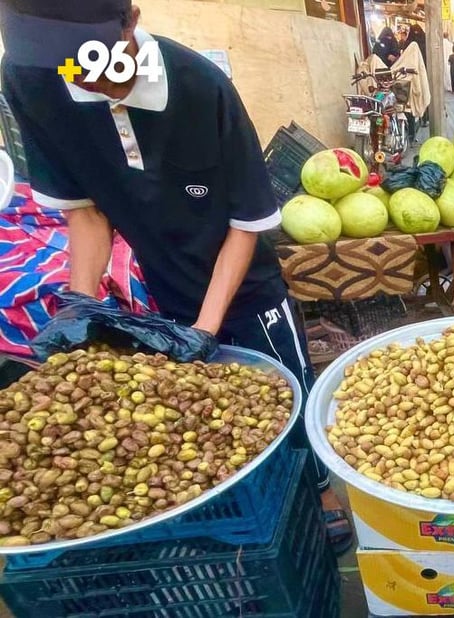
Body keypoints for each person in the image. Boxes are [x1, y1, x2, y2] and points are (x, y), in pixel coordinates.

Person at [0, 0, 354, 552]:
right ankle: (243, 510)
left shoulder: (201, 88)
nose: (83, 78)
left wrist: (207, 328)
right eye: (64, 65)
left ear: (130, 22)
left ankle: (320, 494)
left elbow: (245, 225)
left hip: (250, 291)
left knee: (292, 398)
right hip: (164, 286)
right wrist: (79, 301)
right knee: (213, 424)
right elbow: (85, 210)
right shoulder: (34, 82)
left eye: (90, 61)